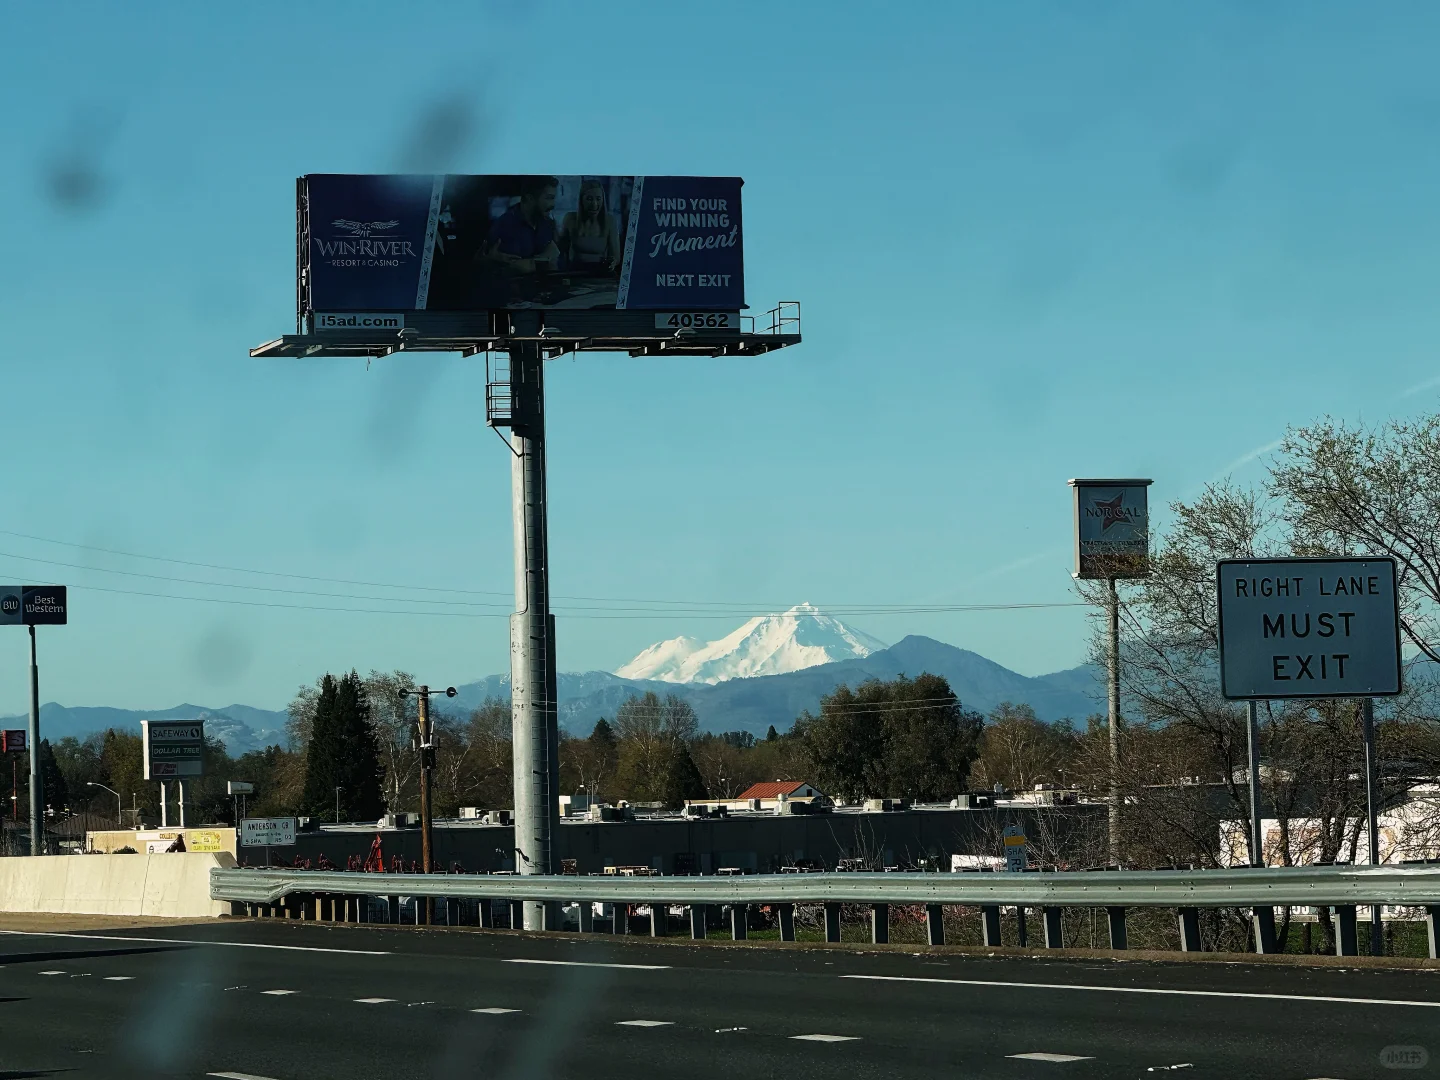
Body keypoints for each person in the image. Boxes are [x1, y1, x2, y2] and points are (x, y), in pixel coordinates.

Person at [484, 176, 561, 274]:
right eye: (549, 198)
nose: (553, 204)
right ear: (530, 198)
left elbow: (554, 257)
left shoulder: (547, 223)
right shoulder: (504, 225)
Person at [558, 179, 620, 272]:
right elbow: (560, 252)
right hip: (575, 272)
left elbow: (616, 257)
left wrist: (613, 262)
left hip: (600, 273)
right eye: (589, 199)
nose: (594, 204)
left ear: (603, 200)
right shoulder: (570, 218)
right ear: (581, 200)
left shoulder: (610, 221)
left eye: (598, 199)